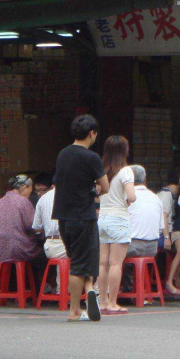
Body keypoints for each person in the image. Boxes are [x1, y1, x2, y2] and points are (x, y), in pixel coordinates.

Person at [52, 114, 109, 322]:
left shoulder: (62, 154)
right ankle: (74, 309)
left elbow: (59, 182)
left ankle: (89, 290)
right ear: (92, 133)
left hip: (63, 217)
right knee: (80, 262)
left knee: (78, 257)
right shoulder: (91, 157)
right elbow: (106, 186)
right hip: (83, 216)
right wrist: (94, 191)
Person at [97, 136, 136, 315]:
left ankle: (103, 301)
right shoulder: (126, 171)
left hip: (102, 218)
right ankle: (113, 303)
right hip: (119, 218)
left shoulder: (101, 169)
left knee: (102, 263)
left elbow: (97, 194)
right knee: (115, 264)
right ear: (124, 150)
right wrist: (128, 200)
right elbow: (132, 196)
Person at [0, 174, 48, 289]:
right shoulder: (23, 201)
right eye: (30, 191)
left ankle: (15, 288)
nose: (29, 195)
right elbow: (32, 225)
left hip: (0, 250)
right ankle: (39, 289)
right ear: (24, 187)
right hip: (19, 249)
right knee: (45, 256)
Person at [32, 184, 66, 294]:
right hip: (66, 243)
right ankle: (97, 292)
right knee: (96, 254)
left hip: (50, 245)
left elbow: (36, 227)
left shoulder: (43, 199)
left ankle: (63, 292)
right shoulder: (72, 195)